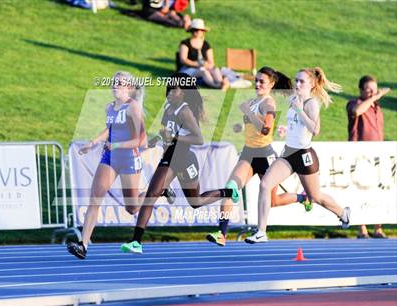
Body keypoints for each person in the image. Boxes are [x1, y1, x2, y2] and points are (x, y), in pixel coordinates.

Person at [120, 73, 238, 254]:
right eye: (168, 88)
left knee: (196, 201)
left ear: (183, 92)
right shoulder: (168, 108)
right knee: (151, 194)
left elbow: (198, 139)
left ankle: (228, 192)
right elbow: (165, 132)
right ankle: (136, 241)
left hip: (184, 160)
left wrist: (174, 137)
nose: (169, 92)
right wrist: (153, 141)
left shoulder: (185, 111)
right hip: (169, 158)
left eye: (174, 89)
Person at [205, 67, 313, 247]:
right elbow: (251, 124)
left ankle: (303, 198)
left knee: (274, 201)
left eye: (262, 81)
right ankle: (221, 233)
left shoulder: (269, 104)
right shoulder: (253, 100)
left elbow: (266, 130)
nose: (257, 84)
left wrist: (248, 113)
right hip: (248, 153)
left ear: (271, 84)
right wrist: (240, 126)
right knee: (231, 188)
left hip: (264, 155)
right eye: (256, 80)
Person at [245, 67, 351, 243]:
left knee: (315, 197)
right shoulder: (294, 98)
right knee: (265, 185)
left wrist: (300, 110)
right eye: (297, 80)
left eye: (302, 81)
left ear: (311, 84)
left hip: (304, 155)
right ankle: (261, 231)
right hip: (288, 152)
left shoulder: (311, 103)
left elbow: (315, 130)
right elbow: (297, 125)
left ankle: (343, 213)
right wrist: (286, 129)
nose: (297, 83)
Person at [67, 71, 147, 259]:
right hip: (110, 157)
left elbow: (141, 141)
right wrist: (93, 143)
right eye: (113, 82)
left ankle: (158, 190)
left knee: (132, 208)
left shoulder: (133, 108)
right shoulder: (109, 108)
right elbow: (110, 129)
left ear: (128, 87)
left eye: (119, 83)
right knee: (95, 197)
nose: (115, 85)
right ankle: (83, 245)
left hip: (129, 158)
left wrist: (118, 144)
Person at [346, 75, 391, 239]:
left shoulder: (376, 107)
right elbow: (357, 111)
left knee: (378, 191)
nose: (373, 92)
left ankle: (377, 227)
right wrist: (376, 96)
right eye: (369, 89)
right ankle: (362, 228)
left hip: (377, 155)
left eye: (375, 88)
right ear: (361, 90)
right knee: (360, 191)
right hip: (360, 156)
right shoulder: (354, 103)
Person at [178, 19, 229, 90]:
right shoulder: (185, 43)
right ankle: (216, 86)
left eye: (201, 30)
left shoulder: (206, 44)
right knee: (203, 72)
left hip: (203, 67)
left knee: (215, 69)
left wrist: (207, 65)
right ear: (192, 31)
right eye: (196, 30)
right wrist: (197, 64)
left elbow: (211, 61)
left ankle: (220, 83)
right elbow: (183, 60)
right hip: (188, 69)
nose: (199, 32)